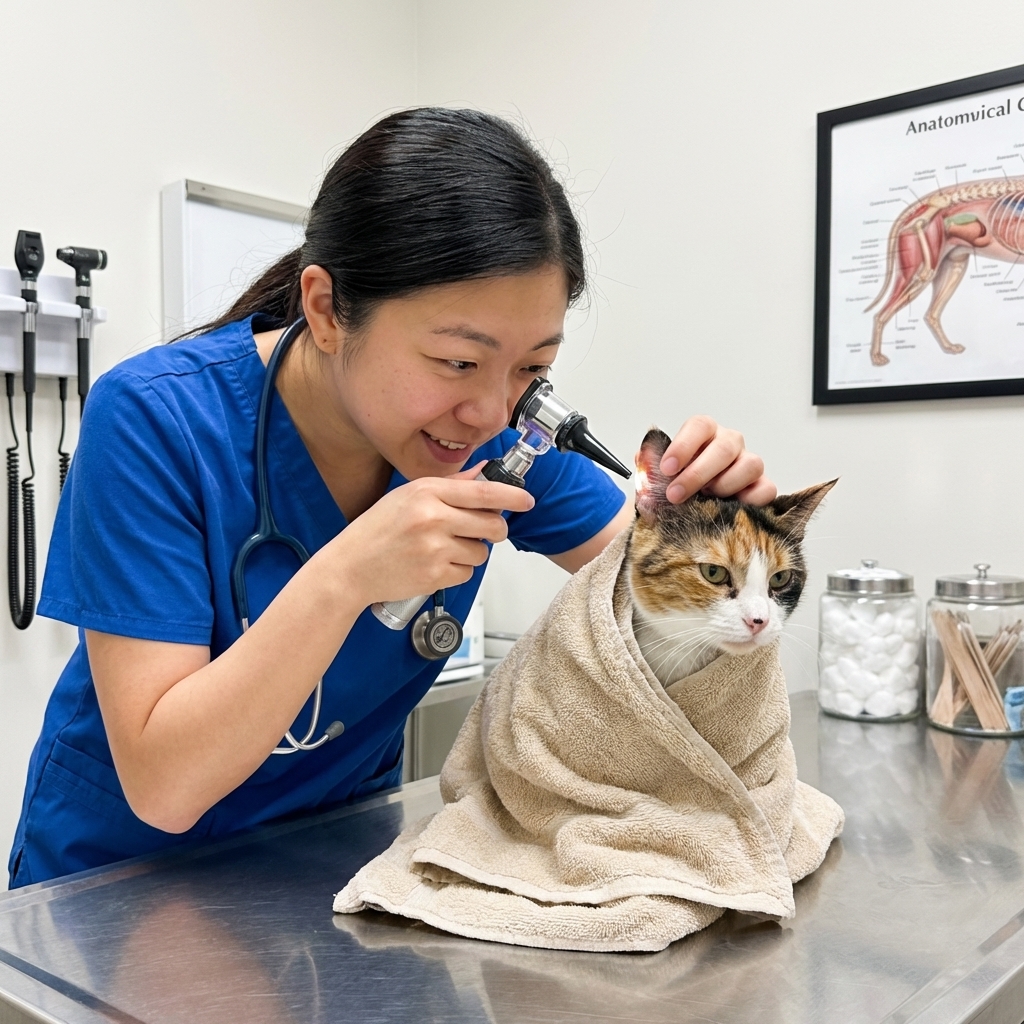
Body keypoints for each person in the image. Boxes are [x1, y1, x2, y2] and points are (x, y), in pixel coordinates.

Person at [9, 109, 775, 887]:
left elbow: (651, 601)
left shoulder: (506, 436)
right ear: (325, 309)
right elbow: (164, 785)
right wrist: (346, 578)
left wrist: (718, 535)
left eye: (529, 368)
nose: (489, 411)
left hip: (336, 862)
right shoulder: (155, 418)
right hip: (118, 886)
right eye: (455, 362)